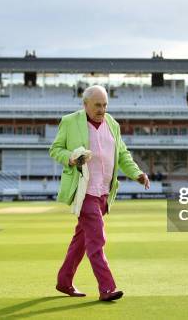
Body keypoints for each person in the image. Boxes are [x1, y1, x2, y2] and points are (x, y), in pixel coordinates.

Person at [49, 85, 150, 301]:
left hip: (104, 192)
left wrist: (137, 174)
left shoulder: (112, 124)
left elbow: (122, 154)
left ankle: (64, 281)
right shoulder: (70, 122)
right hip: (84, 192)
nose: (102, 109)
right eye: (97, 105)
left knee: (82, 240)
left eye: (105, 105)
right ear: (85, 104)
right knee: (97, 239)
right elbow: (55, 150)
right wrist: (71, 158)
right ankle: (106, 288)